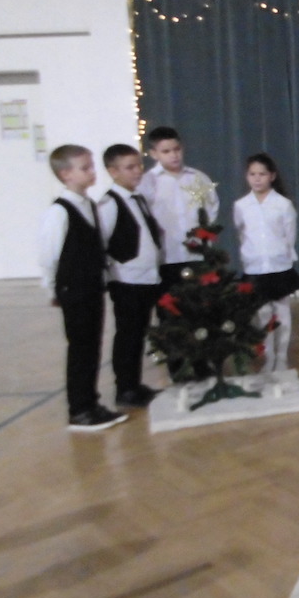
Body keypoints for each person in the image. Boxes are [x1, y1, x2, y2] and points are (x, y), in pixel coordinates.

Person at [39, 145, 128, 432]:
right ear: (66, 174)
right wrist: (52, 289)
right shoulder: (59, 211)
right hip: (74, 288)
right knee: (80, 348)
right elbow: (49, 255)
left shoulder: (88, 204)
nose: (92, 172)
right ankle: (79, 410)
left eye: (91, 166)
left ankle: (91, 403)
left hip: (91, 287)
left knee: (91, 346)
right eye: (85, 168)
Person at [97, 143, 163, 409]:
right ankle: (125, 388)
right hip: (127, 280)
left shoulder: (137, 198)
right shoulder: (109, 204)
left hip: (146, 278)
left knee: (138, 334)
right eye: (129, 167)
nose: (137, 171)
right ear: (113, 171)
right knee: (128, 335)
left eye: (139, 165)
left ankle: (134, 384)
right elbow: (101, 242)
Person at [234, 153, 299, 373]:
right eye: (252, 174)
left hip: (279, 266)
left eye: (262, 174)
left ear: (272, 176)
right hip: (255, 267)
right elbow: (242, 234)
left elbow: (289, 235)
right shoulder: (241, 205)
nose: (257, 179)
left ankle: (282, 357)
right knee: (262, 314)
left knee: (282, 312)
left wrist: (282, 255)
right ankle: (269, 356)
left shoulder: (283, 205)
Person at [139, 125, 219, 290]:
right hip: (166, 256)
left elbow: (212, 208)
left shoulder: (198, 177)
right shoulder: (147, 182)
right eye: (166, 151)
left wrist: (203, 236)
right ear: (154, 154)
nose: (173, 155)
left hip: (197, 255)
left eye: (177, 149)